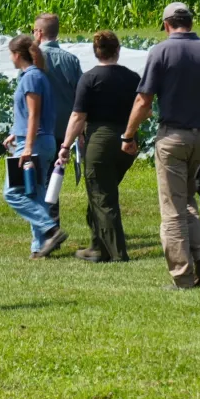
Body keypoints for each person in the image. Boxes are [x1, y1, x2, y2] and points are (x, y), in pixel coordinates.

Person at [122, 2, 200, 288]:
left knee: (172, 208)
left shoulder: (161, 51)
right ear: (190, 22)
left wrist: (128, 135)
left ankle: (182, 275)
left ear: (167, 24)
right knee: (187, 198)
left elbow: (143, 100)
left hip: (173, 137)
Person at [58, 31, 138, 262]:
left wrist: (65, 145)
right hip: (126, 139)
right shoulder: (132, 77)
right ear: (118, 50)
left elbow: (77, 116)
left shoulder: (90, 78)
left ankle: (116, 252)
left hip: (100, 140)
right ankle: (97, 246)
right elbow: (145, 108)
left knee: (102, 196)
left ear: (96, 52)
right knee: (101, 193)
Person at [3, 35, 63, 257]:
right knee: (35, 194)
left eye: (11, 53)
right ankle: (39, 248)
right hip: (40, 139)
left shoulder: (31, 78)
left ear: (17, 55)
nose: (10, 57)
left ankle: (50, 228)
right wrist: (14, 134)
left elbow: (34, 115)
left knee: (12, 193)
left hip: (34, 142)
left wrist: (27, 147)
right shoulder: (37, 76)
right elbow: (28, 115)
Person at [34, 12, 83, 223]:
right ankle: (51, 220)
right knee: (53, 176)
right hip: (64, 131)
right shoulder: (71, 60)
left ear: (39, 32)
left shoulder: (33, 60)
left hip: (39, 129)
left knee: (39, 181)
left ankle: (48, 225)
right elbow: (81, 98)